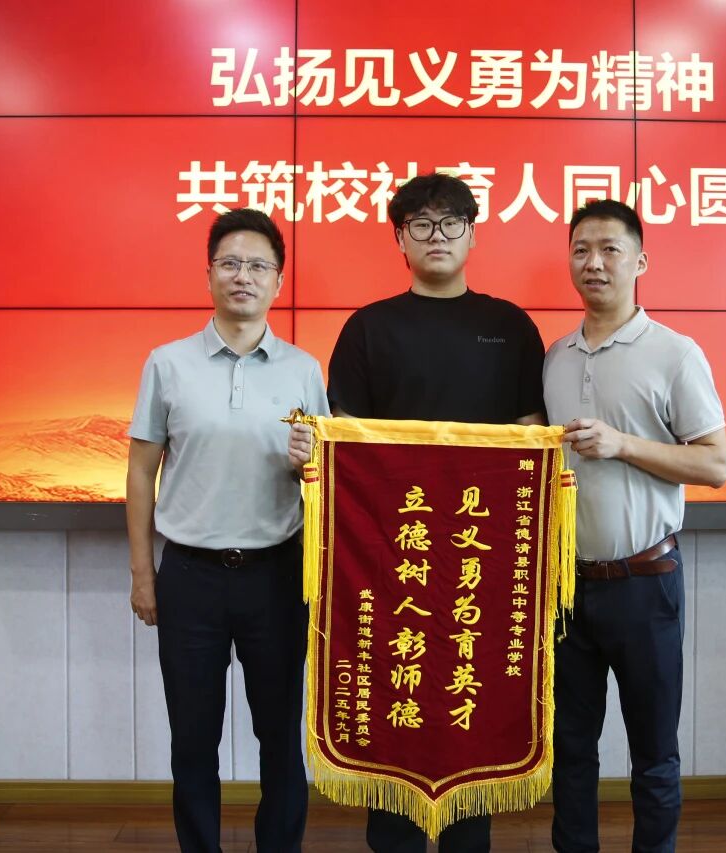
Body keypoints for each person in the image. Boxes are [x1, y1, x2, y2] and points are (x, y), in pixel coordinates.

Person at [288, 172, 546, 853]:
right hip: (391, 557)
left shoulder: (510, 327)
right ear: (399, 239)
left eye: (451, 222)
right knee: (393, 702)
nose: (438, 236)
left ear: (473, 234)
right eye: (422, 225)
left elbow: (531, 431)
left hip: (482, 559)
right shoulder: (369, 328)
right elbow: (346, 442)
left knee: (470, 701)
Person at [127, 208, 329, 853]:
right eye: (231, 263)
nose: (244, 276)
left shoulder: (304, 369)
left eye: (258, 266)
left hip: (277, 575)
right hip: (189, 576)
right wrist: (142, 574)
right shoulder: (167, 364)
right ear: (210, 273)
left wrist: (309, 465)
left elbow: (327, 478)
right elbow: (140, 472)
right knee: (193, 740)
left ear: (278, 281)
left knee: (280, 738)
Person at [543, 199, 726, 853]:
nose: (593, 262)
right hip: (566, 586)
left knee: (653, 752)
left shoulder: (675, 353)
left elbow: (716, 464)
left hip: (645, 582)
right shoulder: (556, 357)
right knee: (570, 750)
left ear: (640, 261)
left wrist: (622, 444)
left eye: (610, 249)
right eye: (581, 249)